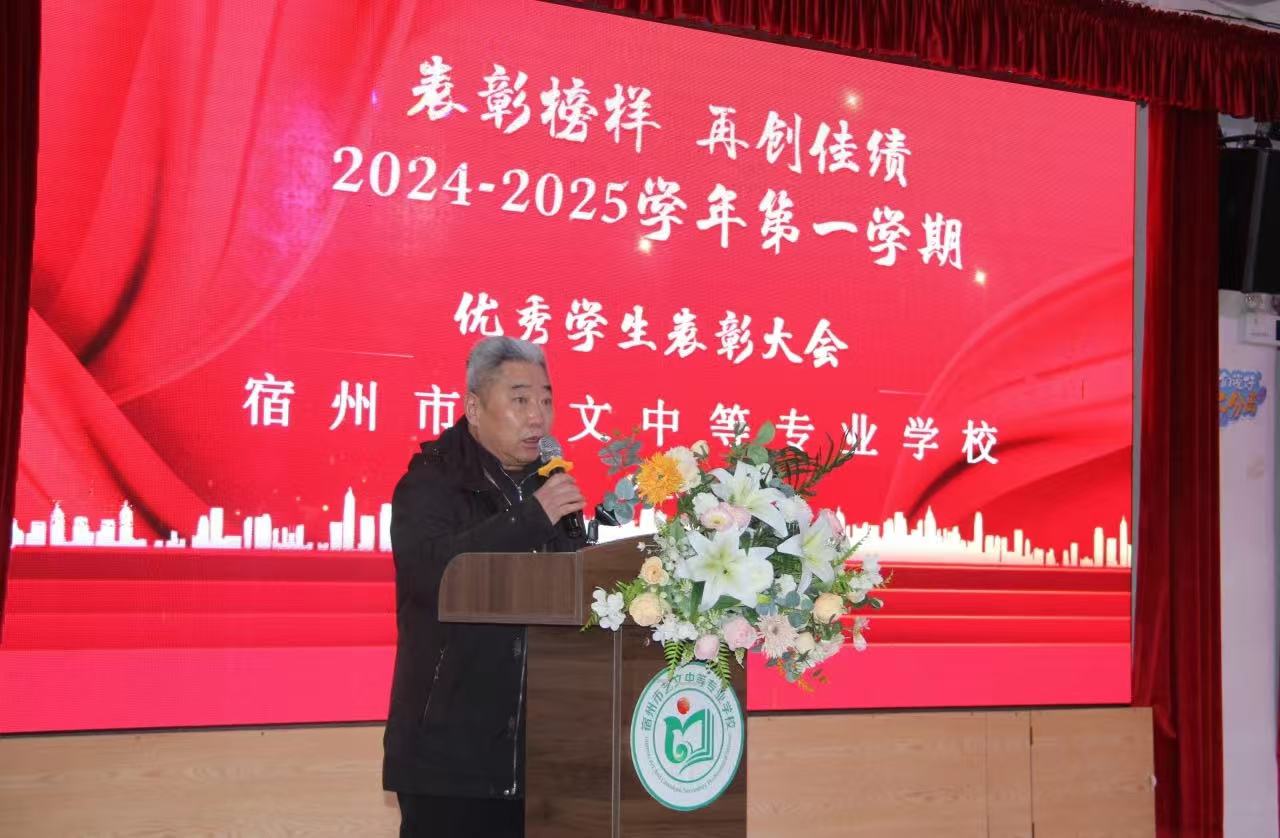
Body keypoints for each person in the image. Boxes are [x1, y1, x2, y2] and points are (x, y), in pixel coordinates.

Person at [383, 337, 587, 838]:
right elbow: (433, 575)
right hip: (449, 761)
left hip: (540, 756)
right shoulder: (429, 483)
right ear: (474, 408)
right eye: (520, 400)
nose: (538, 416)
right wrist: (531, 518)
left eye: (546, 400)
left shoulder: (549, 486)